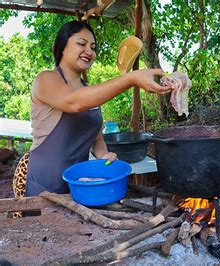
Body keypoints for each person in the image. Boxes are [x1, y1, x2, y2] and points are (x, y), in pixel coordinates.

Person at [12, 21, 172, 199]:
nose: (89, 51)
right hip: (43, 180)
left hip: (79, 181)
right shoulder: (45, 79)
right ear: (62, 47)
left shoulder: (89, 91)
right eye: (81, 44)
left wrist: (103, 154)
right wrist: (130, 79)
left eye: (93, 47)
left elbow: (97, 140)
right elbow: (73, 102)